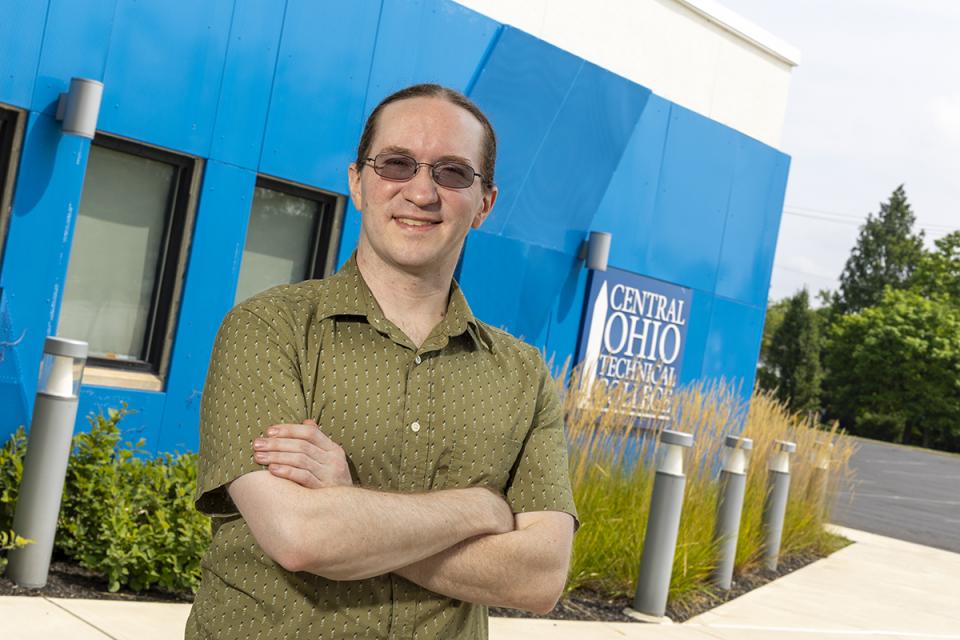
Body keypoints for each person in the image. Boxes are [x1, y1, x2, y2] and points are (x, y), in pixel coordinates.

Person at [186, 84, 578, 640]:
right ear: (358, 181)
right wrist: (480, 507)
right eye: (396, 164)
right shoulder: (268, 329)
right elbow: (300, 536)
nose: (421, 192)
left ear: (485, 204)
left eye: (452, 173)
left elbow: (538, 578)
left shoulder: (523, 375)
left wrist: (350, 511)